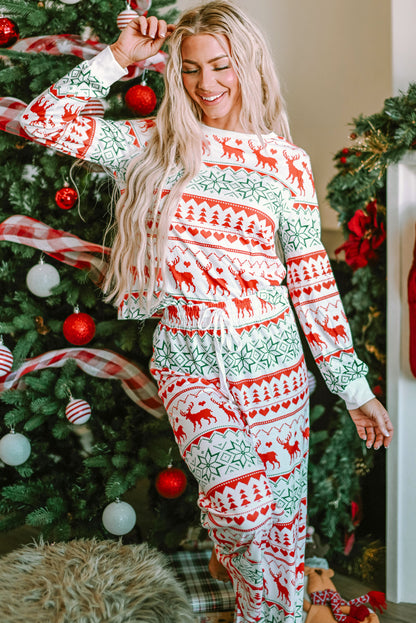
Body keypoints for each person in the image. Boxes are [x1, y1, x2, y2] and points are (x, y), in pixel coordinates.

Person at [19, 2, 394, 622]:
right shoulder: (152, 145)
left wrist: (354, 390)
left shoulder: (284, 165)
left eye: (220, 67)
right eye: (189, 70)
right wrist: (120, 59)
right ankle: (226, 541)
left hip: (277, 377)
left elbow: (311, 282)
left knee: (277, 548)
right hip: (190, 366)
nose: (206, 85)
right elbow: (42, 122)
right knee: (245, 514)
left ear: (249, 66)